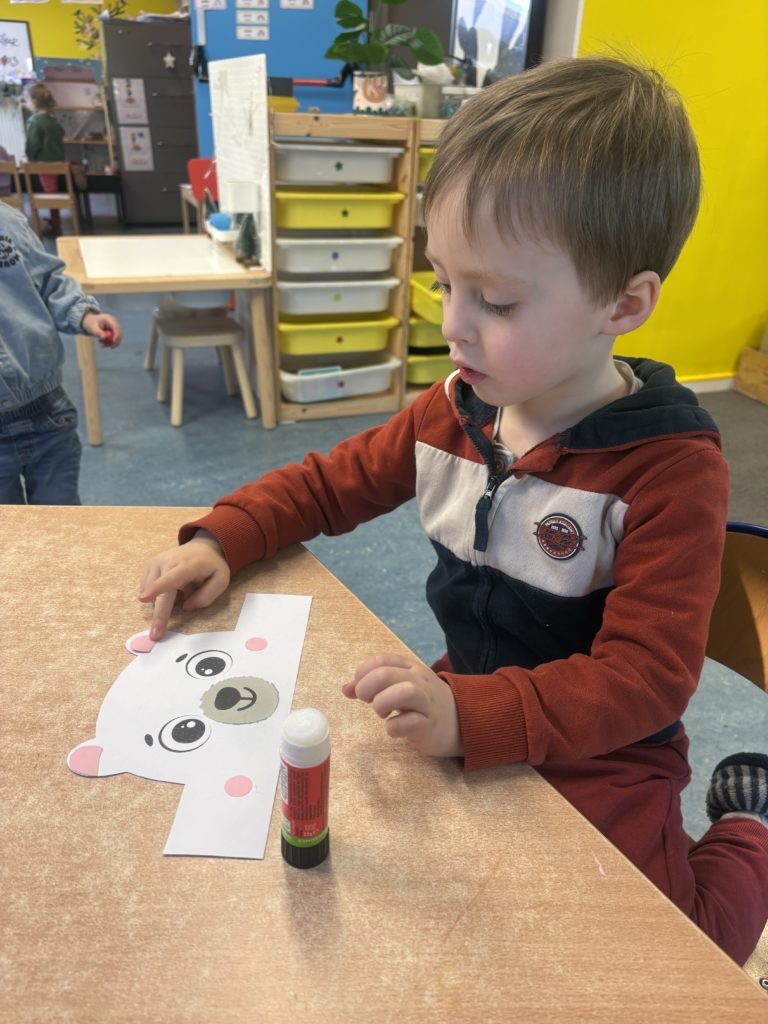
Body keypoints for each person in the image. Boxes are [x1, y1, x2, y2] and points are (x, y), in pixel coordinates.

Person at [138, 57, 768, 963]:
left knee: (676, 952)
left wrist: (471, 717)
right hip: (469, 692)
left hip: (607, 749)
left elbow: (645, 680)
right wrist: (226, 539)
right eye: (444, 280)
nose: (454, 324)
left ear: (623, 304)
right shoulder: (456, 409)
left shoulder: (671, 470)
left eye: (497, 300)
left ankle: (748, 826)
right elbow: (327, 484)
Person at [0, 201, 122, 503]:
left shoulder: (7, 221)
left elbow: (49, 281)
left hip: (47, 413)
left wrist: (85, 315)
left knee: (62, 521)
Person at [25, 83, 66, 236]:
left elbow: (32, 143)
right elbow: (61, 133)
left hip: (43, 163)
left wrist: (30, 156)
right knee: (53, 191)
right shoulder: (52, 120)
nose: (26, 103)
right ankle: (55, 221)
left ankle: (55, 223)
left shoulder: (34, 121)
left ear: (34, 101)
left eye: (27, 100)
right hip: (59, 162)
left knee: (50, 194)